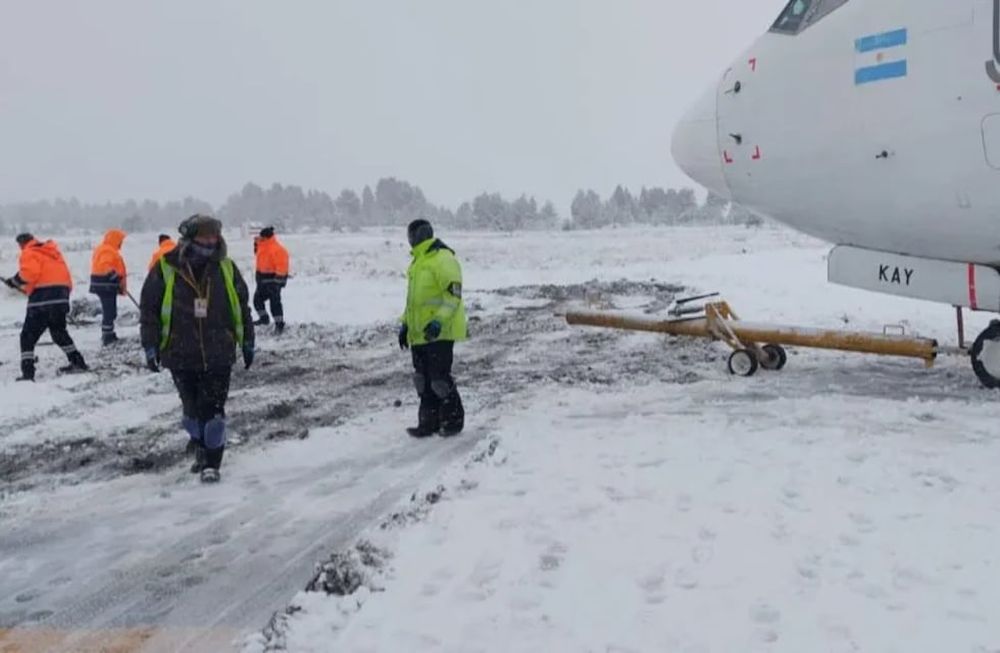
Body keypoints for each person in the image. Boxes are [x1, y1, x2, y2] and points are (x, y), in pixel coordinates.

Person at [139, 215, 255, 483]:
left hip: (219, 352)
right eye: (205, 235)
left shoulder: (226, 268)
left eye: (215, 235)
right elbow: (150, 311)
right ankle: (199, 446)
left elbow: (242, 308)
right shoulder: (165, 269)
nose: (212, 240)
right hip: (180, 353)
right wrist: (150, 345)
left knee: (213, 413)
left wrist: (247, 339)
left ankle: (212, 463)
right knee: (191, 414)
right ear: (190, 238)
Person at [398, 219, 466, 438]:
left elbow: (453, 295)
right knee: (422, 381)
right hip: (418, 334)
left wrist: (439, 322)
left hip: (440, 332)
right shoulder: (417, 263)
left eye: (412, 235)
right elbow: (413, 302)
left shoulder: (443, 259)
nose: (410, 240)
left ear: (421, 235)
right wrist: (405, 324)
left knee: (439, 380)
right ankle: (428, 423)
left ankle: (452, 421)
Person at [4, 233, 88, 381]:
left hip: (42, 301)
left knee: (27, 337)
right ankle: (78, 362)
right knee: (58, 333)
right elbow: (50, 277)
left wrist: (15, 280)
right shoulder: (52, 253)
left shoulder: (29, 252)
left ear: (23, 243)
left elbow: (30, 274)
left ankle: (28, 374)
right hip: (61, 297)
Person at [89, 229, 127, 346]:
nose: (121, 243)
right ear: (115, 240)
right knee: (109, 311)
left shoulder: (105, 249)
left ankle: (108, 333)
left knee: (110, 311)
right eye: (120, 241)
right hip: (105, 285)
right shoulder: (107, 250)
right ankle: (107, 336)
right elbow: (105, 265)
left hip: (104, 285)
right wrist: (114, 276)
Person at [253, 226, 290, 334]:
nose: (260, 238)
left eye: (262, 237)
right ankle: (264, 319)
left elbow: (282, 266)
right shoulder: (263, 246)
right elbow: (258, 254)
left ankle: (279, 324)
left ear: (267, 238)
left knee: (275, 303)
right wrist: (256, 244)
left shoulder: (277, 249)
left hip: (273, 281)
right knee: (257, 300)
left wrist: (279, 282)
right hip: (261, 279)